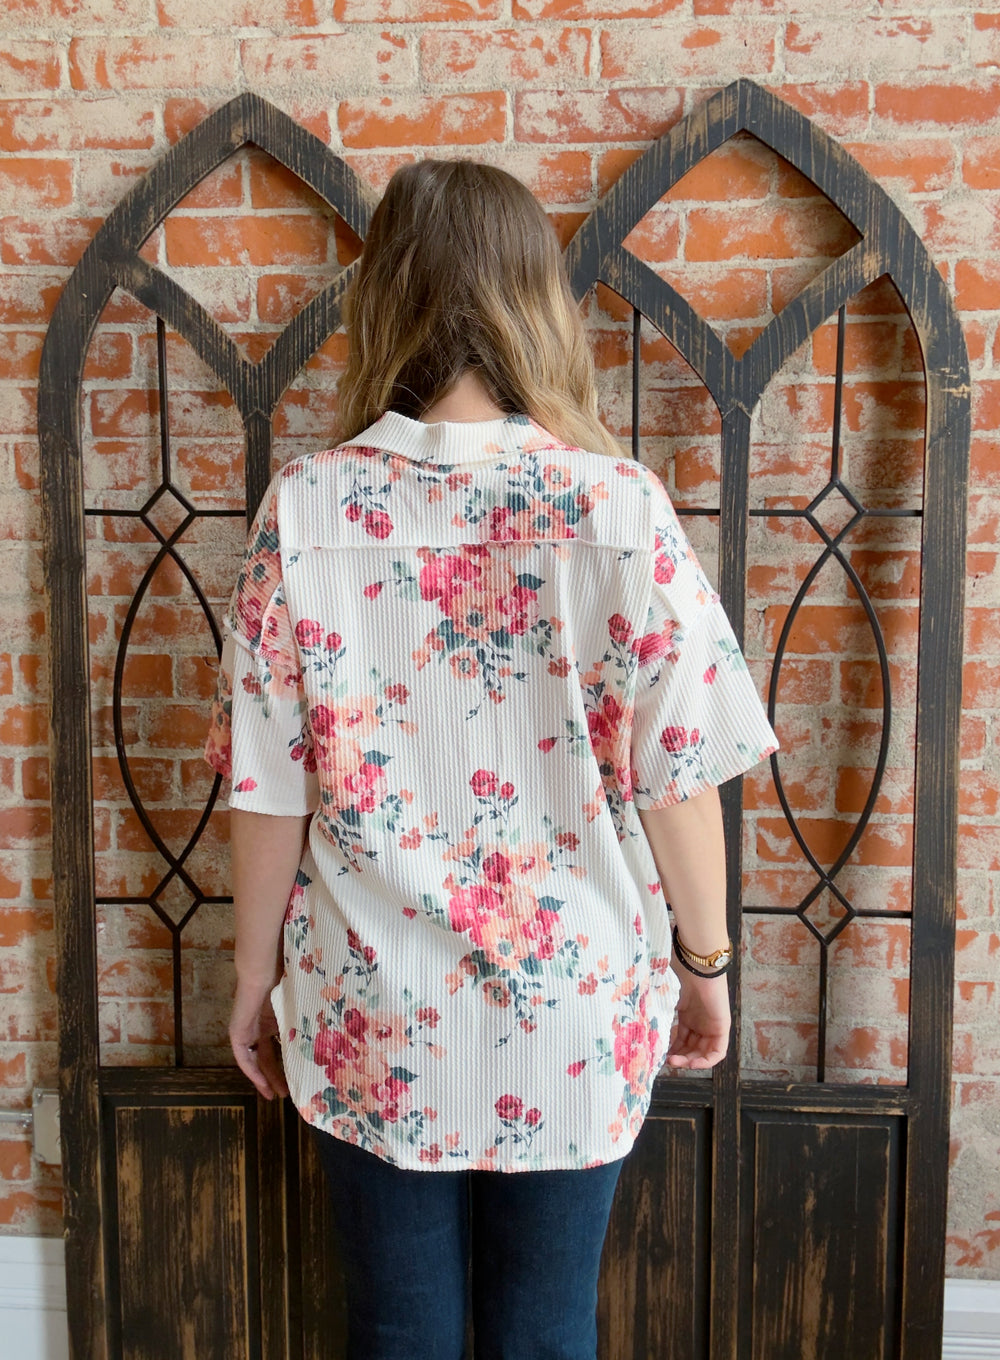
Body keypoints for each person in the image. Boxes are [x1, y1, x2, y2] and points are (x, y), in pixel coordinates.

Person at [204, 158, 779, 1360]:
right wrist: (708, 963)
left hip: (372, 1005)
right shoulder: (617, 505)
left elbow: (266, 781)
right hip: (573, 1003)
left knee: (396, 1327)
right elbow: (680, 775)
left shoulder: (304, 509)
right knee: (547, 1328)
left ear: (382, 302)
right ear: (535, 302)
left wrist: (251, 973)